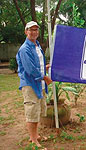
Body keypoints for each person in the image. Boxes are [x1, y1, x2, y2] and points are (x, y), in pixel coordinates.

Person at [16, 21, 52, 149]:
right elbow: (30, 69)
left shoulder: (36, 46)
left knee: (37, 111)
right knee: (32, 112)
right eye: (31, 30)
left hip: (38, 83)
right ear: (26, 32)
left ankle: (35, 135)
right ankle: (33, 140)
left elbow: (37, 65)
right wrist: (44, 77)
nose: (34, 32)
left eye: (36, 30)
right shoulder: (25, 49)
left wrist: (45, 68)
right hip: (31, 84)